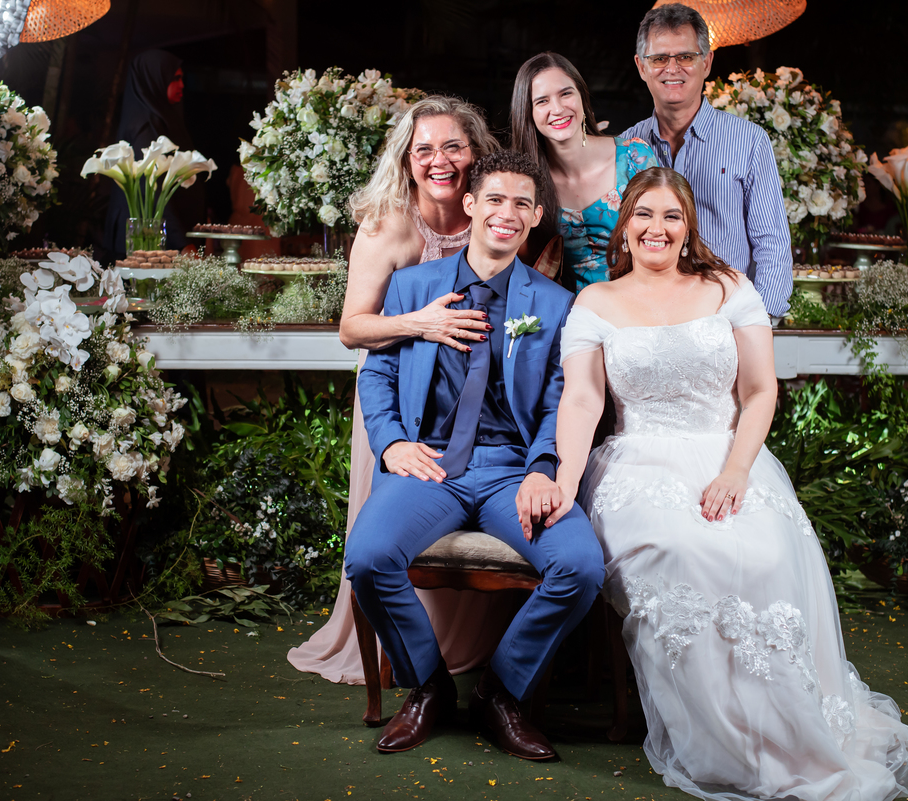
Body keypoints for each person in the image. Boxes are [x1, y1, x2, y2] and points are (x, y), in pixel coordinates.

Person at [549, 167, 908, 799]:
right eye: (644, 214)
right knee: (684, 550)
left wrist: (736, 471)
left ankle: (788, 729)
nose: (658, 228)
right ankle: (723, 741)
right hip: (637, 464)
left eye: (672, 216)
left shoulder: (729, 288)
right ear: (625, 224)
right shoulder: (594, 303)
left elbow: (759, 391)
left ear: (689, 225)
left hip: (729, 453)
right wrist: (564, 480)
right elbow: (582, 401)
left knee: (766, 552)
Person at [346, 152, 604, 758]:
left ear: (535, 217)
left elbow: (559, 401)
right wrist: (392, 443)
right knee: (368, 557)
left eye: (521, 204)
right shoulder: (413, 286)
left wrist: (543, 468)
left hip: (511, 470)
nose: (506, 213)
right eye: (494, 199)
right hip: (429, 463)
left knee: (580, 566)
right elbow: (377, 375)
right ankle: (429, 688)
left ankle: (500, 693)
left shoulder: (555, 305)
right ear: (470, 205)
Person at [287, 97, 512, 686]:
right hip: (398, 405)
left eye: (453, 147)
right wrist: (422, 324)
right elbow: (352, 329)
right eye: (425, 150)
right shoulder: (387, 225)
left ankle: (469, 643)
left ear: (475, 153)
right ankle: (405, 652)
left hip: (473, 406)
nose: (440, 161)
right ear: (406, 160)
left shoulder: (494, 214)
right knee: (396, 526)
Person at [620, 4, 793, 321]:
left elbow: (772, 244)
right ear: (641, 66)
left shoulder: (749, 141)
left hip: (727, 321)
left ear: (707, 62)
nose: (672, 69)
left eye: (686, 57)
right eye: (659, 59)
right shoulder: (625, 147)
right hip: (646, 321)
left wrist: (760, 321)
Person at [511, 52, 658, 291]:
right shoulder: (524, 182)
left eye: (565, 93)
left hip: (640, 298)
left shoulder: (634, 156)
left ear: (581, 95)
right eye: (542, 101)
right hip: (561, 308)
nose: (557, 109)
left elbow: (667, 233)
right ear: (528, 112)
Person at [104, 50, 203, 259]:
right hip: (145, 243)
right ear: (154, 79)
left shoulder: (159, 118)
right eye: (175, 79)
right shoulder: (145, 125)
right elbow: (150, 187)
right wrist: (182, 243)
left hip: (155, 239)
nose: (182, 85)